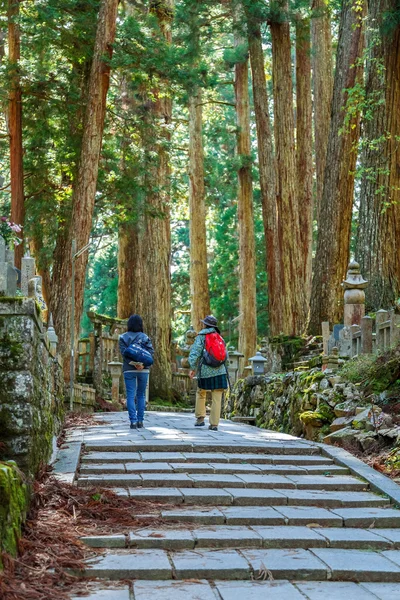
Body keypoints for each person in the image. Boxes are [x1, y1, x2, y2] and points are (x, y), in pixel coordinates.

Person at [188, 315, 228, 431]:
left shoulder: (201, 336)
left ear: (205, 325)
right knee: (217, 396)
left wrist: (192, 368)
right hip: (220, 370)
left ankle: (200, 418)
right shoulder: (220, 337)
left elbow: (195, 353)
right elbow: (225, 355)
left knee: (201, 392)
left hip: (205, 369)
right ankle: (214, 424)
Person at [119, 314, 154, 429]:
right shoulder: (145, 337)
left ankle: (133, 421)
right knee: (141, 395)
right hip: (143, 370)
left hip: (129, 369)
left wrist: (134, 364)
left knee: (130, 395)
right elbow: (151, 352)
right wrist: (142, 364)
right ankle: (140, 421)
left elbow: (124, 354)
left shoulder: (123, 337)